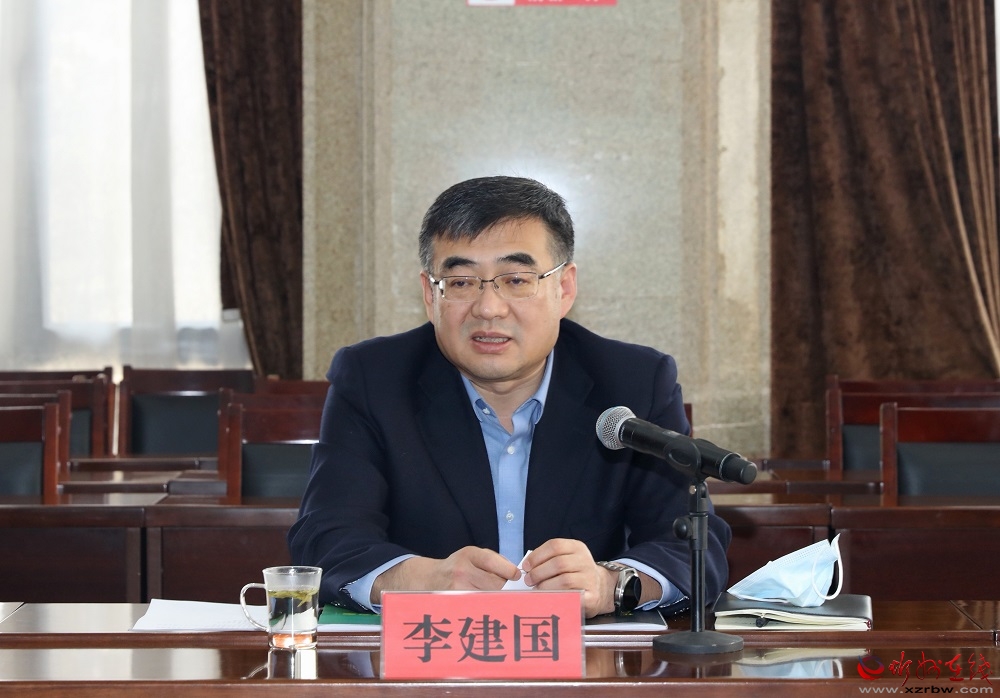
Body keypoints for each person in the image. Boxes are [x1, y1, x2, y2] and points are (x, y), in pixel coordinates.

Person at [288, 175, 731, 618]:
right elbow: (326, 536)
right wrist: (423, 579)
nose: (489, 308)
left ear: (564, 289)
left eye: (516, 280)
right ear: (429, 294)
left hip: (586, 657)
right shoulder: (373, 379)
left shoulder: (634, 382)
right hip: (430, 653)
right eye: (461, 282)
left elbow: (693, 545)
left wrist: (611, 585)